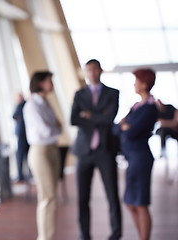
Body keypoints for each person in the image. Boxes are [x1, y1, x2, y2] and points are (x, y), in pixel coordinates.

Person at [71, 59, 122, 240]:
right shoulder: (79, 94)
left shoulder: (113, 93)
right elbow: (74, 119)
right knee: (82, 198)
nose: (92, 73)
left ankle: (116, 234)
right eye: (88, 70)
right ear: (86, 72)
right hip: (83, 152)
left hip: (105, 150)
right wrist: (100, 116)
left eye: (94, 69)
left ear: (100, 71)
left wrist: (89, 115)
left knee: (112, 195)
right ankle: (84, 235)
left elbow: (110, 120)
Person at [114, 68, 158, 240]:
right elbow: (117, 128)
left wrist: (125, 127)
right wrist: (124, 127)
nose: (134, 83)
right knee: (130, 202)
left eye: (136, 80)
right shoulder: (137, 106)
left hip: (141, 158)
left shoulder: (149, 108)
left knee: (140, 203)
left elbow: (131, 132)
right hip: (132, 159)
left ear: (144, 83)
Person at [23, 71, 62, 240]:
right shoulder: (32, 105)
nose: (52, 84)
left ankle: (48, 236)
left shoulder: (45, 102)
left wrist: (53, 126)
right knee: (47, 197)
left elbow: (59, 127)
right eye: (49, 81)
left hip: (52, 149)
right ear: (40, 83)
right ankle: (45, 237)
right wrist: (53, 126)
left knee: (51, 196)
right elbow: (46, 130)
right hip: (40, 151)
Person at [12, 93, 30, 182]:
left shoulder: (22, 105)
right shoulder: (23, 105)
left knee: (21, 155)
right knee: (25, 155)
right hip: (23, 133)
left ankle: (22, 175)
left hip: (23, 134)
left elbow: (14, 115)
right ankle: (25, 174)